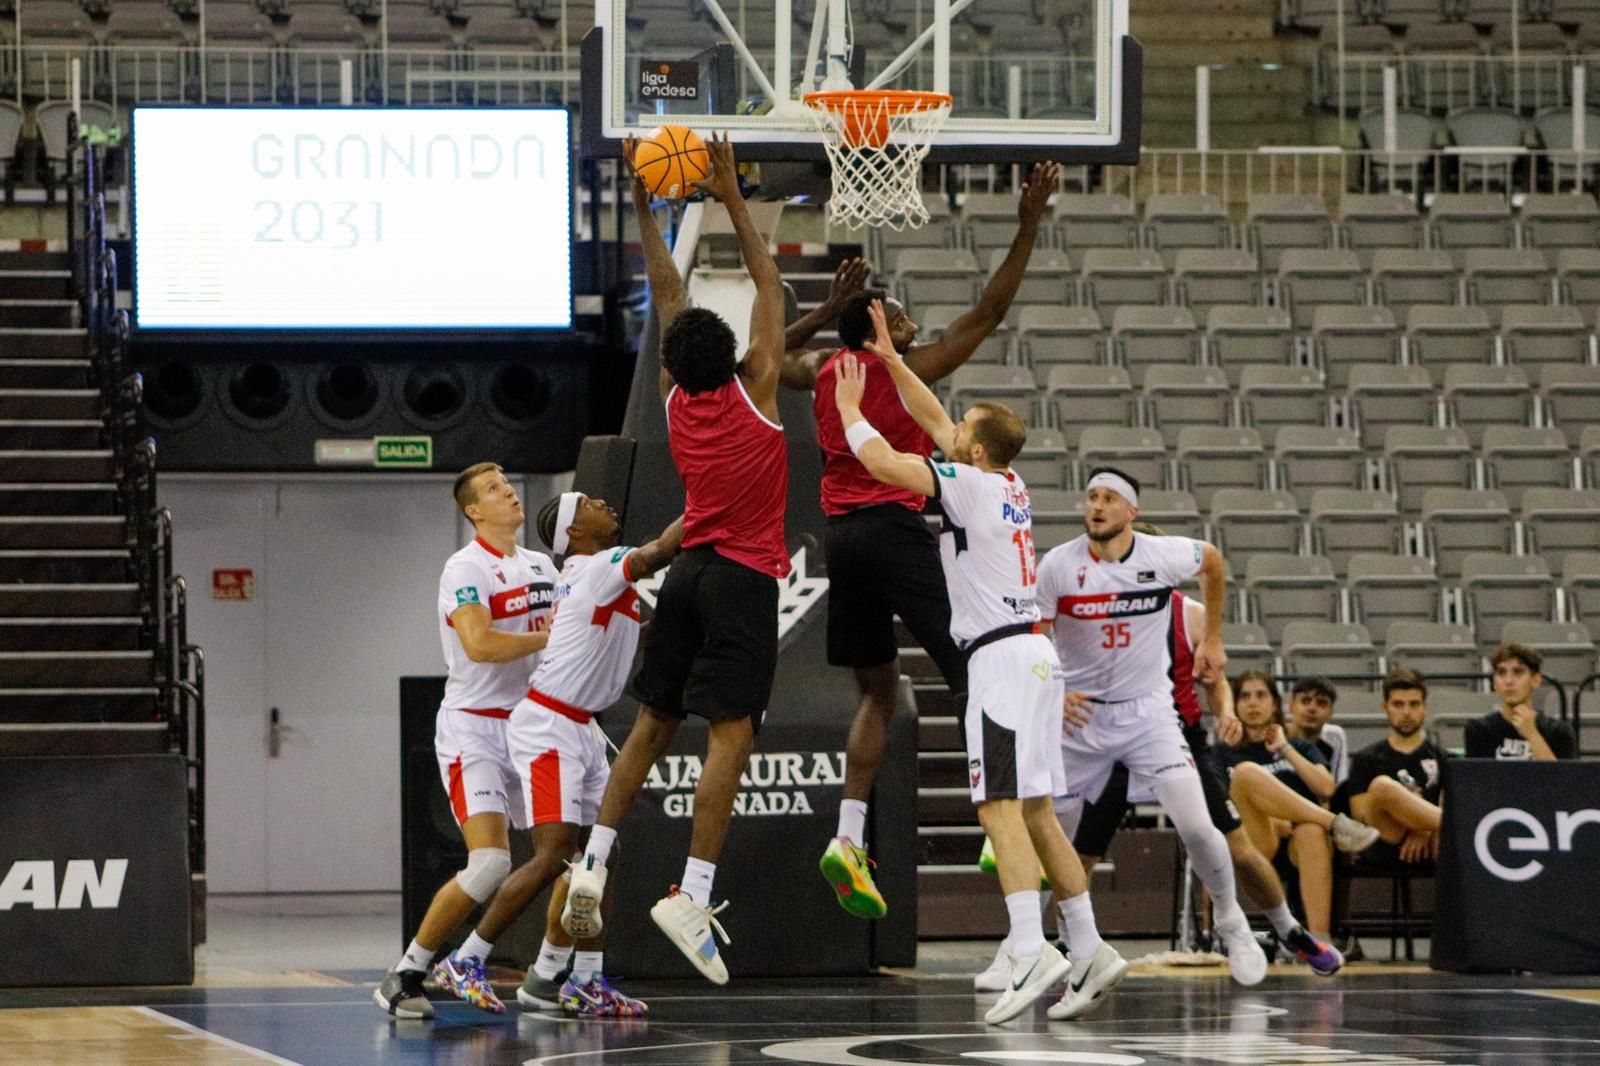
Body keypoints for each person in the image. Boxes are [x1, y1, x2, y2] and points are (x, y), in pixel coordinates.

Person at [781, 164, 1061, 918]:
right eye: (899, 319)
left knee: (877, 689)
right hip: (897, 529)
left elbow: (771, 361)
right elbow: (990, 311)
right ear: (884, 331)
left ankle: (847, 835)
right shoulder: (916, 368)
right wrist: (1028, 224)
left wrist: (824, 312)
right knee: (979, 666)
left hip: (842, 542)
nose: (910, 325)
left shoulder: (822, 368)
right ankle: (996, 823)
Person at [837, 300, 1125, 1025]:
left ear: (973, 451)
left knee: (997, 804)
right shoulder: (1010, 485)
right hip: (1033, 657)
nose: (949, 431)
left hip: (998, 662)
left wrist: (849, 404)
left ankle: (1031, 948)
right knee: (1036, 812)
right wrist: (894, 362)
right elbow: (937, 421)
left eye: (961, 432)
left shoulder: (965, 485)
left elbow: (877, 460)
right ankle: (1088, 945)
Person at [561, 135, 789, 986]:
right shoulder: (755, 391)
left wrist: (646, 203)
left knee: (651, 726)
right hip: (742, 578)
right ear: (731, 357)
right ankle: (692, 893)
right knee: (731, 731)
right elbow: (768, 283)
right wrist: (730, 194)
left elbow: (664, 290)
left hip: (686, 577)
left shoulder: (675, 405)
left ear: (671, 365)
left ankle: (596, 859)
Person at [429, 492, 685, 1017]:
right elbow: (660, 550)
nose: (605, 503)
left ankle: (569, 978)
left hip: (578, 724)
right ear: (575, 532)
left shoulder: (589, 573)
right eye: (591, 503)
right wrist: (711, 501)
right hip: (548, 725)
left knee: (598, 855)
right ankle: (466, 959)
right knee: (552, 855)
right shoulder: (600, 567)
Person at [1035, 469, 1269, 987]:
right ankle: (1032, 945)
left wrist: (1212, 639)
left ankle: (1234, 925)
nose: (1096, 506)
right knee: (1057, 840)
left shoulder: (1159, 556)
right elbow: (1037, 634)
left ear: (1131, 512)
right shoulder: (1058, 566)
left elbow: (1212, 560)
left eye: (1109, 498)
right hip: (1080, 719)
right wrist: (1055, 687)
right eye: (1092, 497)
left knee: (1196, 825)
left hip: (1148, 715)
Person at [375, 462, 560, 1020]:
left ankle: (549, 978)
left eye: (509, 484)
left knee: (565, 856)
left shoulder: (541, 565)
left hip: (530, 724)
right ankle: (406, 973)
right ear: (474, 511)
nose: (508, 492)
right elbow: (479, 644)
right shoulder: (464, 567)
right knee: (489, 864)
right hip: (474, 726)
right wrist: (556, 635)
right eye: (494, 490)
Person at [1214, 671, 1380, 944]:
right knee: (1245, 773)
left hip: (1296, 843)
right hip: (1252, 841)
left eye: (1261, 695)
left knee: (1312, 832)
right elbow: (1220, 804)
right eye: (1245, 696)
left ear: (1276, 704)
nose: (1253, 703)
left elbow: (1326, 787)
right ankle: (1336, 824)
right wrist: (1272, 818)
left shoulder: (1298, 745)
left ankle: (1319, 940)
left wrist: (1284, 748)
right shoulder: (1222, 752)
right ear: (1235, 704)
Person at [1338, 668, 1450, 866]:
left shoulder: (1443, 758)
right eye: (1398, 704)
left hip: (1433, 844)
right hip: (1383, 841)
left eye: (1414, 704)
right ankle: (1462, 823)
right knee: (1382, 787)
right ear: (1385, 707)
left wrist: (1426, 831)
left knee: (1447, 832)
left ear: (1425, 706)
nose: (1406, 712)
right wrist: (1419, 826)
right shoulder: (1366, 759)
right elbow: (1363, 817)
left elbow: (1450, 804)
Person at [1465, 642, 1577, 760]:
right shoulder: (1479, 730)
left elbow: (1563, 777)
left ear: (1536, 680)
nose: (1508, 681)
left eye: (1518, 672)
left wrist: (1532, 734)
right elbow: (1476, 777)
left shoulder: (1559, 732)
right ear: (1494, 684)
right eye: (1502, 673)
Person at [1286, 676, 1350, 785]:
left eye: (1321, 703)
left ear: (1331, 713)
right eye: (1305, 701)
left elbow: (1336, 786)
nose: (1312, 708)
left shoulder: (1334, 736)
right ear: (1291, 707)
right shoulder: (1274, 736)